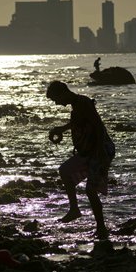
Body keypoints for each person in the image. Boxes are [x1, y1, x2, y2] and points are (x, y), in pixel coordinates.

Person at [46, 81, 115, 240]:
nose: (57, 103)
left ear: (63, 92)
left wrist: (99, 151)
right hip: (88, 152)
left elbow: (98, 125)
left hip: (100, 150)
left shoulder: (83, 102)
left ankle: (101, 229)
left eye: (56, 99)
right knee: (65, 171)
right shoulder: (77, 106)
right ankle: (74, 209)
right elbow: (78, 122)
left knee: (90, 190)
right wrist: (61, 129)